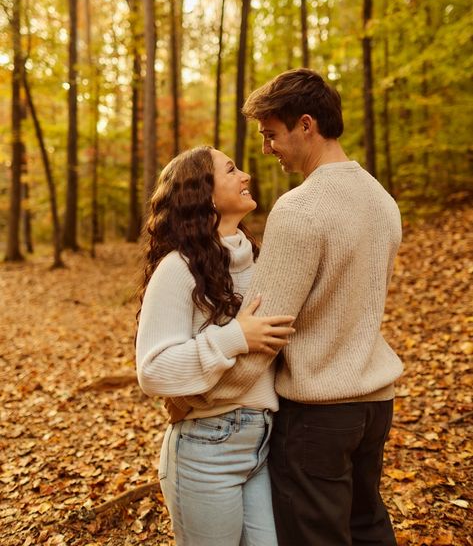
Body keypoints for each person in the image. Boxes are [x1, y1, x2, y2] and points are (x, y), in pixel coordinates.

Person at [196, 68, 403, 544]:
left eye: (271, 135)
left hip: (318, 414)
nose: (267, 149)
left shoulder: (299, 209)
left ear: (305, 125)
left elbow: (265, 330)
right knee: (368, 525)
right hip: (374, 405)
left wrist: (205, 398)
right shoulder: (382, 200)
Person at [135, 145, 295, 546]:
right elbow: (152, 370)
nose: (246, 176)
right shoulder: (178, 268)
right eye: (232, 170)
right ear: (205, 194)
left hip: (261, 444)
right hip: (205, 449)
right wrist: (234, 338)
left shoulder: (259, 260)